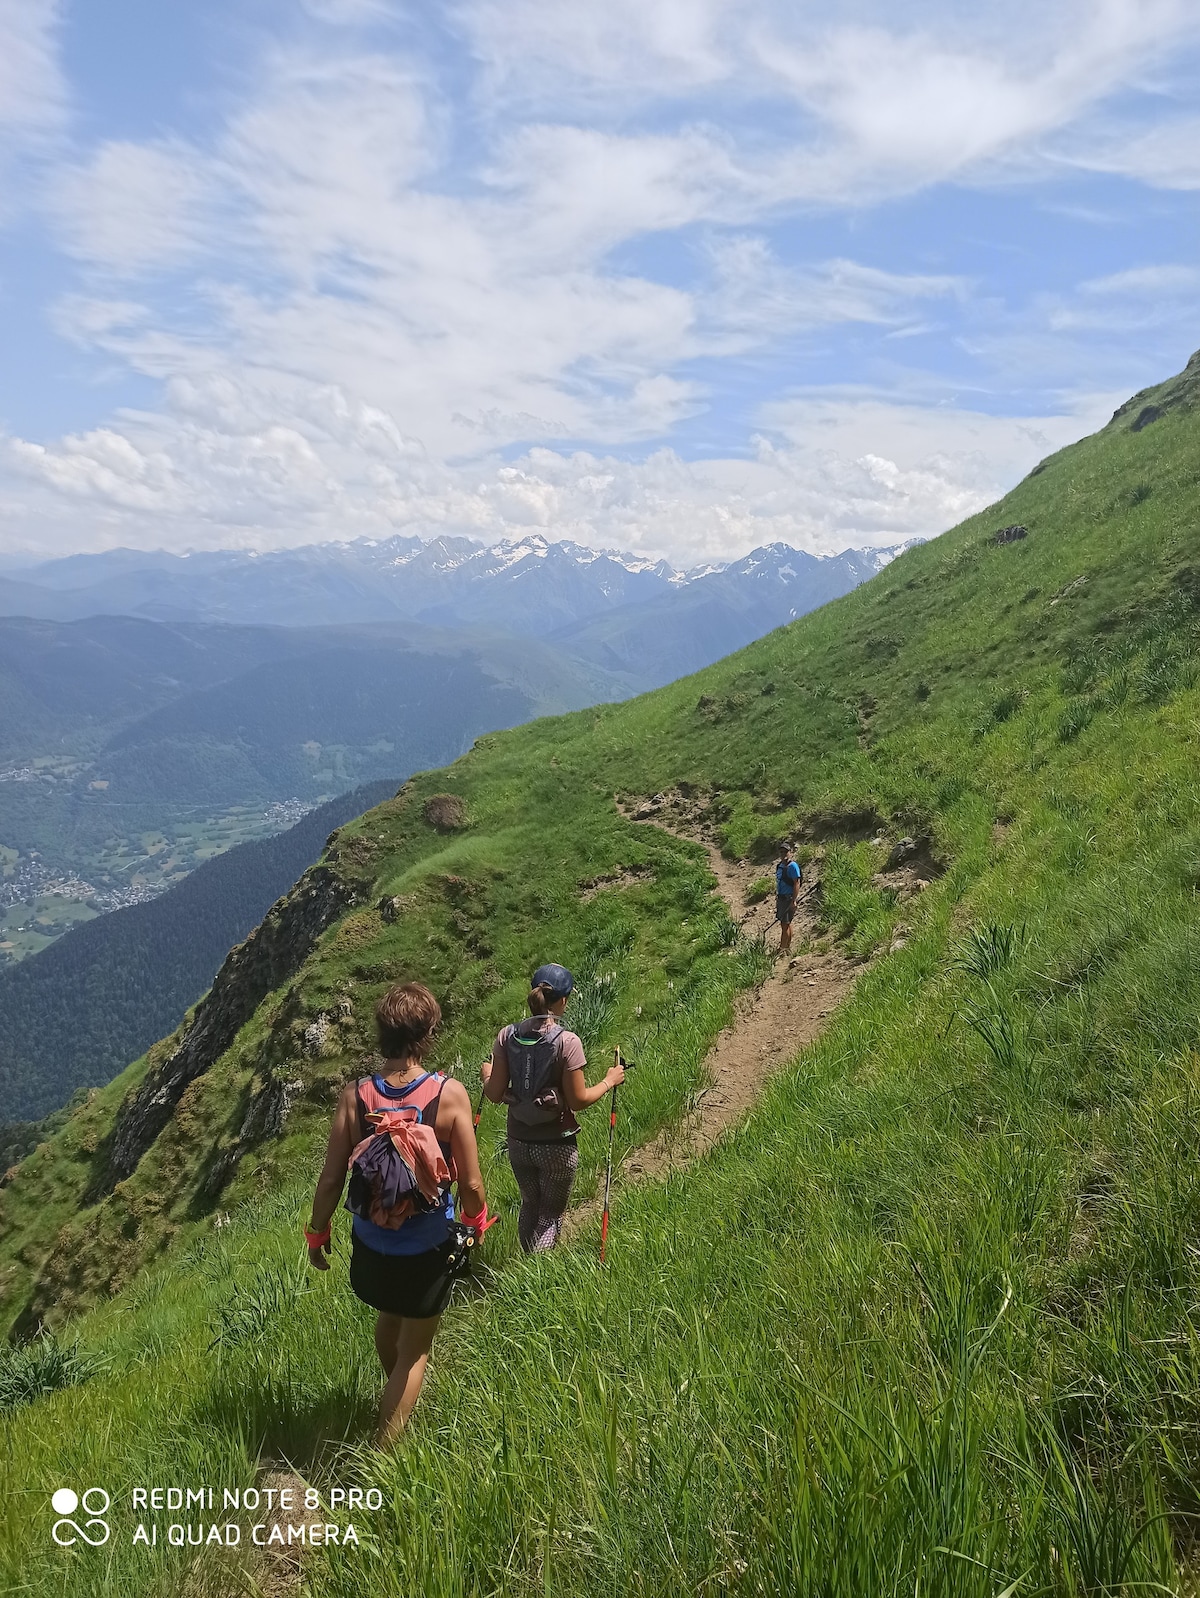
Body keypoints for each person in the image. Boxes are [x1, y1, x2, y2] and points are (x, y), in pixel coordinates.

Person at [304, 981, 488, 1447]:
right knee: (415, 1352)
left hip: (371, 1246)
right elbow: (469, 1183)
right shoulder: (448, 1095)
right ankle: (384, 1453)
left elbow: (330, 1181)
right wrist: (475, 1222)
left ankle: (397, 1395)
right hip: (426, 1247)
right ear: (428, 1033)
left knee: (388, 1321)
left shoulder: (356, 1096)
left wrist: (318, 1232)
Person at [481, 962, 623, 1252]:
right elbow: (578, 1100)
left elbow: (494, 1094)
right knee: (550, 1215)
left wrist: (486, 1074)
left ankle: (526, 1264)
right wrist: (610, 1080)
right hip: (556, 1144)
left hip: (519, 1141)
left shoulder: (506, 1036)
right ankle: (538, 1272)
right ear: (563, 1001)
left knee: (530, 1204)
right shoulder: (567, 1042)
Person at [775, 843, 803, 955]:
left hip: (788, 898)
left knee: (784, 924)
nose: (783, 854)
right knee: (787, 923)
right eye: (781, 852)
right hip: (781, 898)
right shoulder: (779, 866)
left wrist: (794, 900)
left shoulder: (792, 866)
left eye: (785, 852)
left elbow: (797, 883)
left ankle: (782, 949)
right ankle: (786, 948)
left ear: (790, 852)